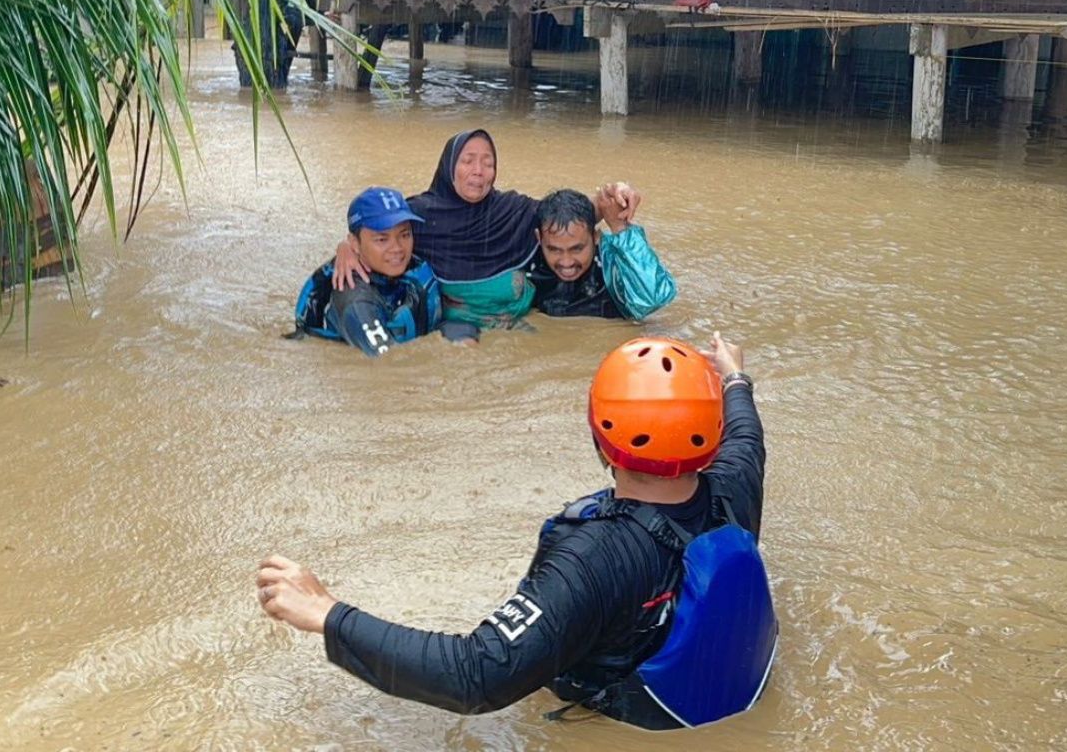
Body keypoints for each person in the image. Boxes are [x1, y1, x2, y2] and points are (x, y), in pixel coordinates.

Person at [257, 332, 776, 729]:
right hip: (715, 693)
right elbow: (746, 429)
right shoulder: (736, 481)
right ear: (709, 435)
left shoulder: (592, 558)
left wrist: (327, 614)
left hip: (616, 722)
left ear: (600, 441)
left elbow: (475, 674)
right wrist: (732, 377)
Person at [332, 129, 642, 341]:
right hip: (457, 324)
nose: (478, 171)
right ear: (449, 166)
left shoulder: (512, 210)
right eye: (467, 161)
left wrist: (615, 196)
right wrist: (346, 248)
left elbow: (567, 217)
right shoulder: (420, 215)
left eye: (487, 162)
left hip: (516, 318)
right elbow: (377, 234)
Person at [290, 187, 440, 356]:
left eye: (404, 235)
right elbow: (390, 365)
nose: (397, 248)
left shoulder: (408, 266)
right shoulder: (356, 303)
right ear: (355, 244)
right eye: (382, 239)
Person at [528, 187, 676, 320]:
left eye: (577, 249)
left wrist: (620, 228)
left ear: (596, 237)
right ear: (539, 238)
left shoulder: (613, 264)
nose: (566, 262)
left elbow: (654, 299)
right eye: (554, 250)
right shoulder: (527, 267)